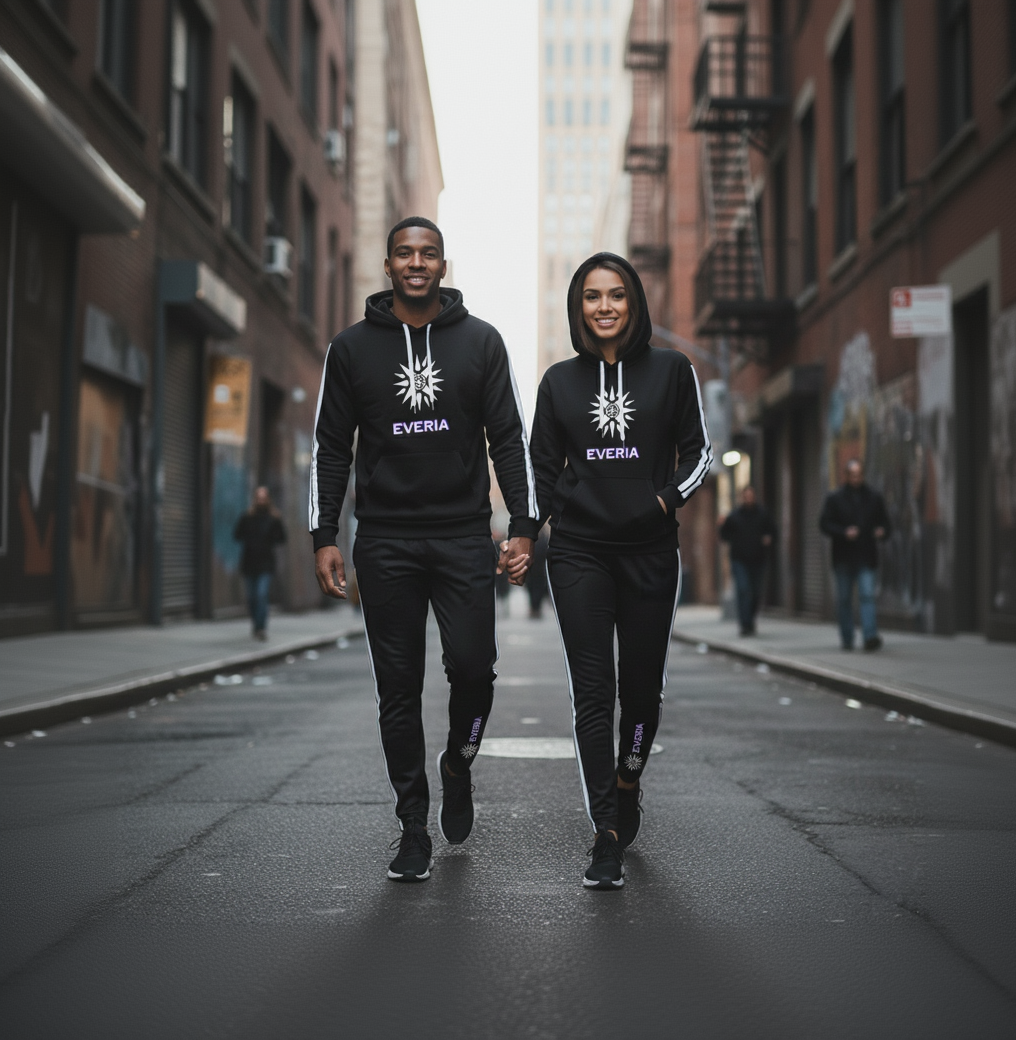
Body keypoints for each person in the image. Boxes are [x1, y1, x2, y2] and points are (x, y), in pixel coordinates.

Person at [309, 217, 539, 883]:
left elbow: (508, 438)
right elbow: (331, 447)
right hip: (384, 540)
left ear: (443, 263)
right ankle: (413, 824)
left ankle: (458, 762)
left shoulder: (481, 342)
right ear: (389, 264)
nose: (417, 262)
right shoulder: (351, 350)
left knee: (474, 669)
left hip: (464, 535)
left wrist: (523, 524)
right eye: (405, 253)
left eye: (428, 253)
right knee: (397, 689)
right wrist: (326, 536)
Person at [527, 252, 712, 889]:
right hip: (579, 551)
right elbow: (542, 473)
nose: (603, 306)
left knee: (641, 691)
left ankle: (629, 776)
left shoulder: (672, 371)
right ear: (578, 307)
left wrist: (663, 501)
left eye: (616, 295)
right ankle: (604, 833)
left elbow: (699, 450)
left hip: (651, 552)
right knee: (592, 692)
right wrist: (526, 535)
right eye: (590, 296)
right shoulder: (558, 383)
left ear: (633, 303)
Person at [819, 459, 891, 651]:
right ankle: (847, 637)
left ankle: (869, 636)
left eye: (859, 474)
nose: (856, 478)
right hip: (843, 557)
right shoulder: (835, 498)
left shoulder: (874, 498)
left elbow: (886, 524)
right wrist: (843, 532)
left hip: (866, 556)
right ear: (847, 475)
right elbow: (824, 524)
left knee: (867, 595)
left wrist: (881, 531)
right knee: (844, 600)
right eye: (853, 475)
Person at [718, 485, 776, 636]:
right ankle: (745, 625)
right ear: (742, 497)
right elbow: (724, 535)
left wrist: (768, 538)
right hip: (739, 560)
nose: (749, 498)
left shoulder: (763, 514)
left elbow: (773, 531)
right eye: (746, 495)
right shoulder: (735, 516)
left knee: (756, 593)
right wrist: (726, 531)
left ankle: (750, 620)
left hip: (758, 559)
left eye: (751, 495)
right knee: (743, 590)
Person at [233, 486, 286, 641]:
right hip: (249, 562)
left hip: (266, 563)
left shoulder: (274, 518)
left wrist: (271, 537)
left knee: (261, 595)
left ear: (268, 499)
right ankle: (256, 624)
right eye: (258, 497)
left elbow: (282, 538)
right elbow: (237, 534)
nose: (261, 500)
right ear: (255, 499)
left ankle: (261, 628)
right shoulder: (247, 517)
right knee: (251, 597)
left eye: (264, 497)